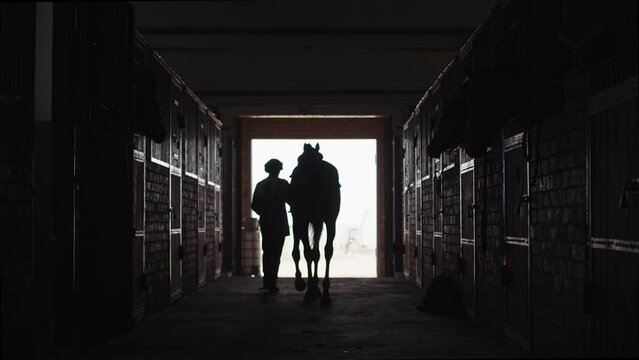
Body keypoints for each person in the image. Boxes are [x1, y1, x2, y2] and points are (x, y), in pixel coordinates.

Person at [251, 159, 290, 294]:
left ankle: (267, 281)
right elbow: (292, 201)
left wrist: (266, 213)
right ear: (280, 169)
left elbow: (254, 205)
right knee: (276, 254)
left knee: (267, 251)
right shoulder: (284, 184)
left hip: (267, 222)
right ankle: (272, 282)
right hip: (280, 223)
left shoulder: (260, 185)